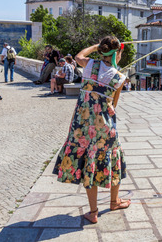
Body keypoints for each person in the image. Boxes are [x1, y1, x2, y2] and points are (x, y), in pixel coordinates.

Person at [52, 36, 129, 224]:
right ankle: (114, 201)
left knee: (89, 163)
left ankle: (93, 212)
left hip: (82, 125)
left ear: (101, 51)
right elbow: (113, 105)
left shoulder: (89, 65)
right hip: (105, 128)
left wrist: (94, 47)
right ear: (117, 53)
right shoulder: (119, 77)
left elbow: (78, 55)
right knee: (113, 158)